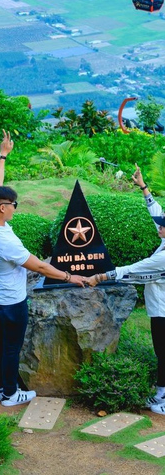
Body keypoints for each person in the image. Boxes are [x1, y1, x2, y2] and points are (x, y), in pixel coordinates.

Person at [0, 130, 85, 407]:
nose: (15, 208)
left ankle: (0, 388)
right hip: (12, 302)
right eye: (13, 205)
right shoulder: (5, 241)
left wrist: (3, 155)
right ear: (2, 208)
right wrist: (71, 277)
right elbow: (38, 266)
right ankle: (11, 395)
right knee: (11, 347)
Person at [86, 163, 165, 415]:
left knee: (163, 353)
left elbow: (135, 269)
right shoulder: (164, 240)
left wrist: (100, 276)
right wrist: (143, 187)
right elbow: (156, 214)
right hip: (159, 307)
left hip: (163, 311)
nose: (158, 227)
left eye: (163, 225)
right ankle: (161, 391)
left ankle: (163, 400)